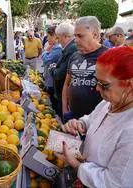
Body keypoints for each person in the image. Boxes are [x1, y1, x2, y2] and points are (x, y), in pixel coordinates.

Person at [58, 46, 133, 187]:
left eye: (104, 84)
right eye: (96, 81)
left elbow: (114, 183)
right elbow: (92, 118)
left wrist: (76, 165)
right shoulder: (109, 102)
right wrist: (81, 124)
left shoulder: (130, 130)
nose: (97, 88)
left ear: (129, 85)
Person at [62, 16, 108, 121]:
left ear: (95, 35)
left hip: (96, 121)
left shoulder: (108, 56)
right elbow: (67, 84)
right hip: (73, 118)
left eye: (80, 36)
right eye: (75, 36)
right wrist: (65, 111)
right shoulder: (74, 56)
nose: (76, 40)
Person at [50, 22, 77, 119]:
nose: (58, 40)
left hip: (64, 94)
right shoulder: (69, 48)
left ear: (65, 36)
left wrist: (52, 70)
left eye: (58, 37)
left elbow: (61, 73)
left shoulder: (71, 49)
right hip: (62, 93)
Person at [41, 26, 62, 111]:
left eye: (48, 36)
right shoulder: (54, 47)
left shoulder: (57, 48)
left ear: (54, 36)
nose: (47, 39)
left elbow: (47, 60)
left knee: (54, 104)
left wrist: (45, 52)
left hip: (52, 81)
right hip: (50, 79)